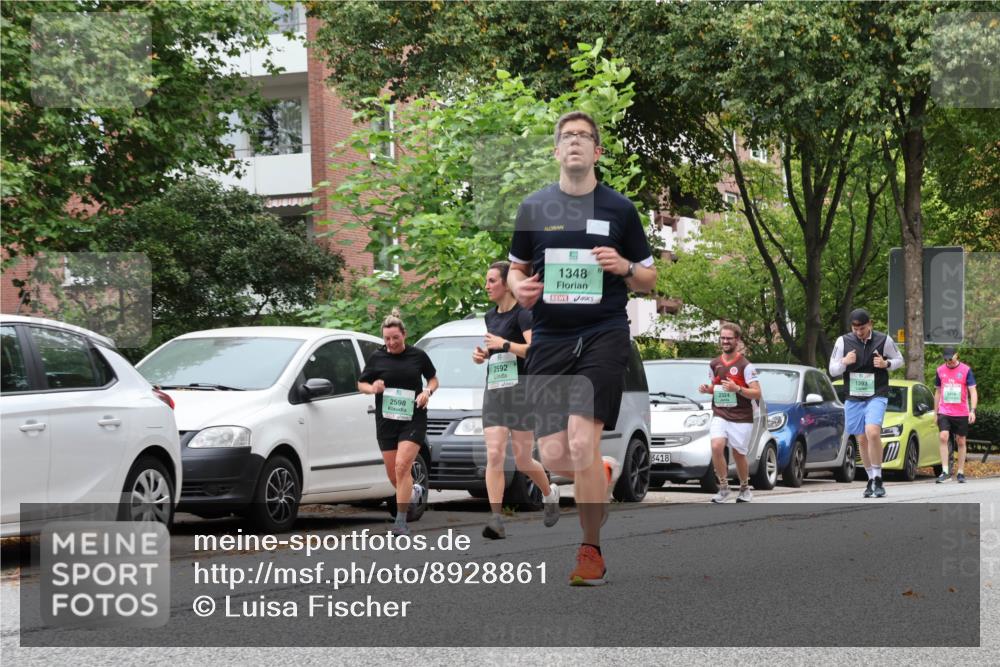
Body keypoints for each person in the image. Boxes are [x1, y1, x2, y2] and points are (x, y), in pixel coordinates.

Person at [507, 110, 657, 586]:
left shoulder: (619, 209)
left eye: (583, 136)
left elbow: (651, 279)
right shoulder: (534, 209)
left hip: (602, 334)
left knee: (580, 441)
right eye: (566, 136)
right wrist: (520, 289)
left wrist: (625, 266)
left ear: (597, 151)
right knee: (553, 456)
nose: (574, 142)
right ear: (556, 151)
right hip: (549, 338)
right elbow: (514, 271)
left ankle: (590, 550)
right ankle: (602, 470)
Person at [473, 261, 560, 539]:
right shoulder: (490, 316)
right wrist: (484, 355)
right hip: (495, 392)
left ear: (505, 284)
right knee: (495, 454)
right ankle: (496, 519)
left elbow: (535, 350)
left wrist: (504, 345)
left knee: (523, 461)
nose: (486, 286)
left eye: (491, 281)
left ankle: (549, 493)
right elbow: (496, 348)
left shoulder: (523, 315)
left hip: (520, 394)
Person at [358, 310, 439, 535]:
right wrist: (372, 388)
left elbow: (433, 379)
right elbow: (361, 384)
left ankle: (401, 522)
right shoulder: (377, 358)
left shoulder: (418, 356)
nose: (391, 343)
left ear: (404, 335)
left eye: (395, 337)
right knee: (394, 474)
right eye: (387, 339)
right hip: (386, 421)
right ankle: (413, 490)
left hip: (413, 417)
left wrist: (427, 391)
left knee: (403, 466)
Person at [828, 308, 904, 498]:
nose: (858, 332)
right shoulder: (843, 341)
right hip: (853, 396)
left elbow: (900, 360)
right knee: (861, 438)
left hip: (876, 393)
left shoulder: (883, 340)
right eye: (855, 328)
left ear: (869, 324)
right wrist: (845, 361)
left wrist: (886, 364)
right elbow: (832, 370)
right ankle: (870, 479)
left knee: (873, 432)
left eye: (861, 328)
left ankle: (878, 477)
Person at [697, 323, 762, 503]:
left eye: (729, 338)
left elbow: (757, 393)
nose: (725, 341)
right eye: (723, 338)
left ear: (737, 340)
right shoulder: (714, 364)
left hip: (742, 416)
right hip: (720, 413)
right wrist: (707, 389)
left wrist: (737, 389)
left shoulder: (746, 366)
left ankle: (744, 488)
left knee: (739, 454)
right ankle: (724, 488)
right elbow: (717, 387)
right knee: (716, 446)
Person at [934, 346, 978, 484]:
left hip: (961, 411)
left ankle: (960, 472)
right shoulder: (940, 370)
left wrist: (973, 410)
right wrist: (936, 413)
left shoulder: (966, 370)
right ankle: (945, 471)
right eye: (946, 359)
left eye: (951, 358)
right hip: (944, 410)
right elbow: (938, 392)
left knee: (961, 441)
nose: (949, 362)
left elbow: (973, 391)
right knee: (943, 436)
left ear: (956, 355)